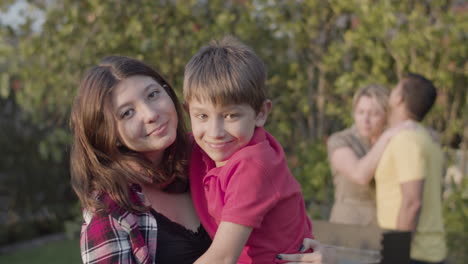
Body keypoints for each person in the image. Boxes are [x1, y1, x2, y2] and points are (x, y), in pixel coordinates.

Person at [70, 55, 323, 264]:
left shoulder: (210, 152)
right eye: (127, 112)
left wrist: (311, 252)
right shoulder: (109, 212)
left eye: (152, 95)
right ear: (107, 133)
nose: (150, 114)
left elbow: (283, 211)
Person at [183, 36, 314, 264]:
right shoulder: (200, 146)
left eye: (231, 116)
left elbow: (223, 258)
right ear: (189, 112)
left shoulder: (253, 163)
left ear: (261, 113)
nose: (215, 132)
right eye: (202, 116)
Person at [374, 73, 446, 264]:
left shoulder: (407, 139)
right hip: (425, 252)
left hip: (412, 254)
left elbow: (412, 202)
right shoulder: (426, 139)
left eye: (395, 88)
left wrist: (395, 256)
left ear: (399, 99)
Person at [328, 84, 392, 226]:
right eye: (360, 112)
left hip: (384, 226)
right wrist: (387, 137)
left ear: (386, 116)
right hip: (347, 227)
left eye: (374, 113)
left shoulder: (394, 143)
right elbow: (359, 175)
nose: (365, 120)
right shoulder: (340, 140)